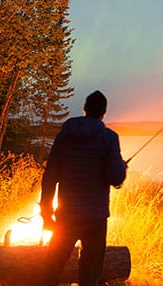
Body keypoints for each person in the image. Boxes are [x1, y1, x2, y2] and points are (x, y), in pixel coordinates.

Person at [39, 90, 127, 286]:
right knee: (89, 276)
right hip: (95, 220)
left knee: (52, 270)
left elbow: (49, 178)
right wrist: (122, 165)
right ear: (104, 112)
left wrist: (46, 213)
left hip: (66, 216)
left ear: (85, 109)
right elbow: (116, 177)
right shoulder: (109, 138)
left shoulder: (64, 136)